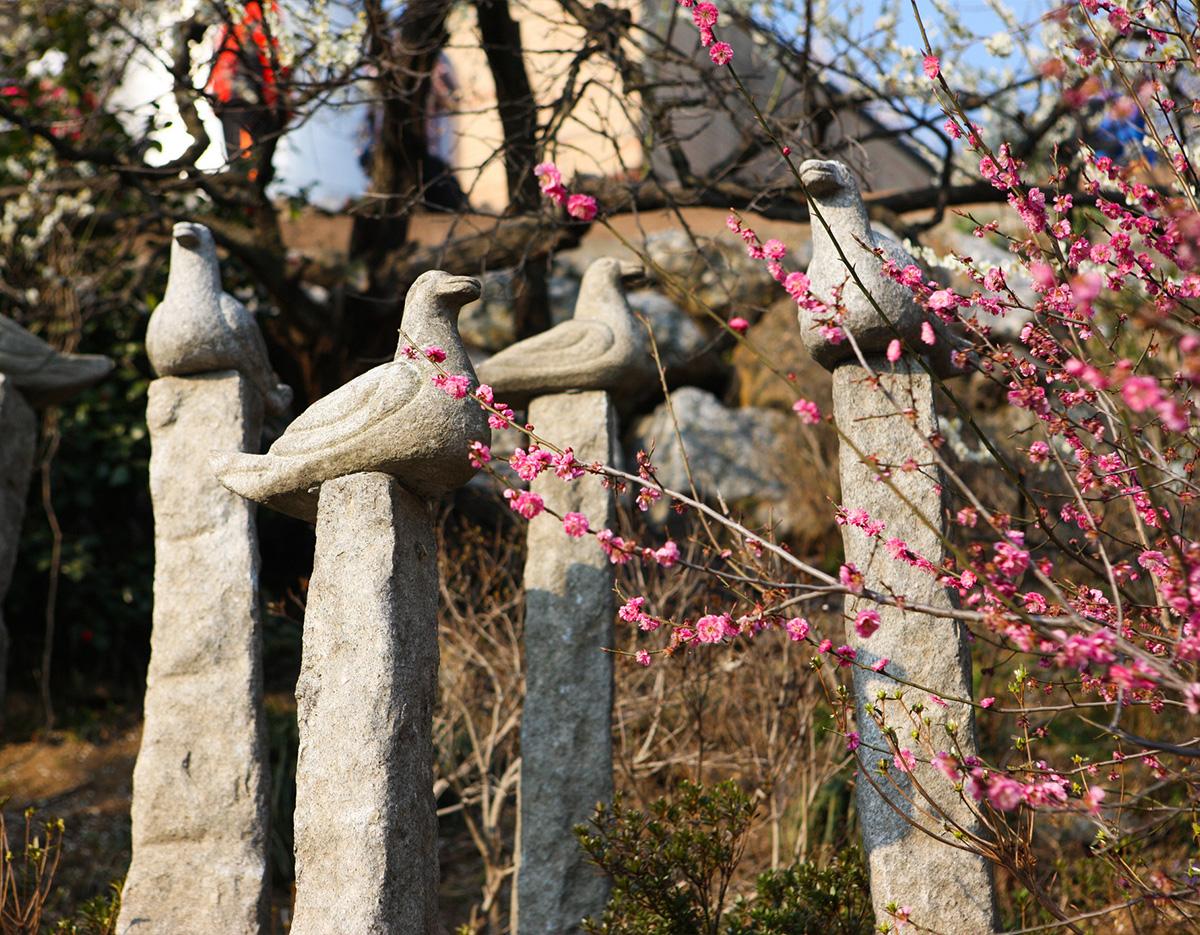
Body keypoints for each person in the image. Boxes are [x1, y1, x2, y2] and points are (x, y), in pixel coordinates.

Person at [207, 1, 289, 169]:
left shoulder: (261, 10)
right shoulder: (234, 13)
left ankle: (245, 181)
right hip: (234, 96)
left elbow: (272, 52)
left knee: (246, 162)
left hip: (250, 96)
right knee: (241, 162)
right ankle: (243, 181)